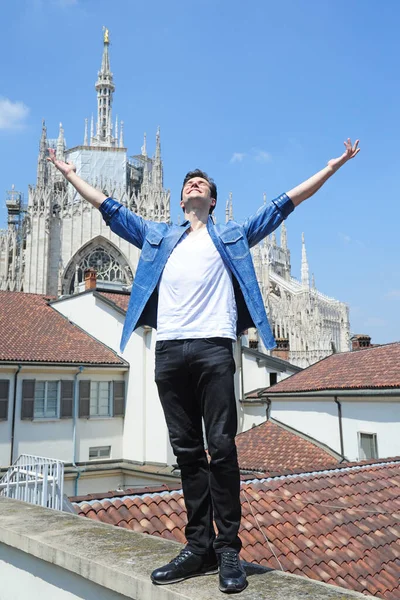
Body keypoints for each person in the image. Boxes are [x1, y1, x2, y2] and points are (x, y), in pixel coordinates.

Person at [48, 138, 360, 593]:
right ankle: (199, 547)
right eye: (188, 182)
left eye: (202, 183)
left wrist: (330, 168)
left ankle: (228, 548)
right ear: (180, 199)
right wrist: (69, 173)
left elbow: (283, 205)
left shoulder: (230, 235)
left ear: (212, 200)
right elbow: (110, 208)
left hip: (214, 349)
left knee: (222, 448)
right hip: (170, 351)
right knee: (188, 454)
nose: (193, 185)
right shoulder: (158, 236)